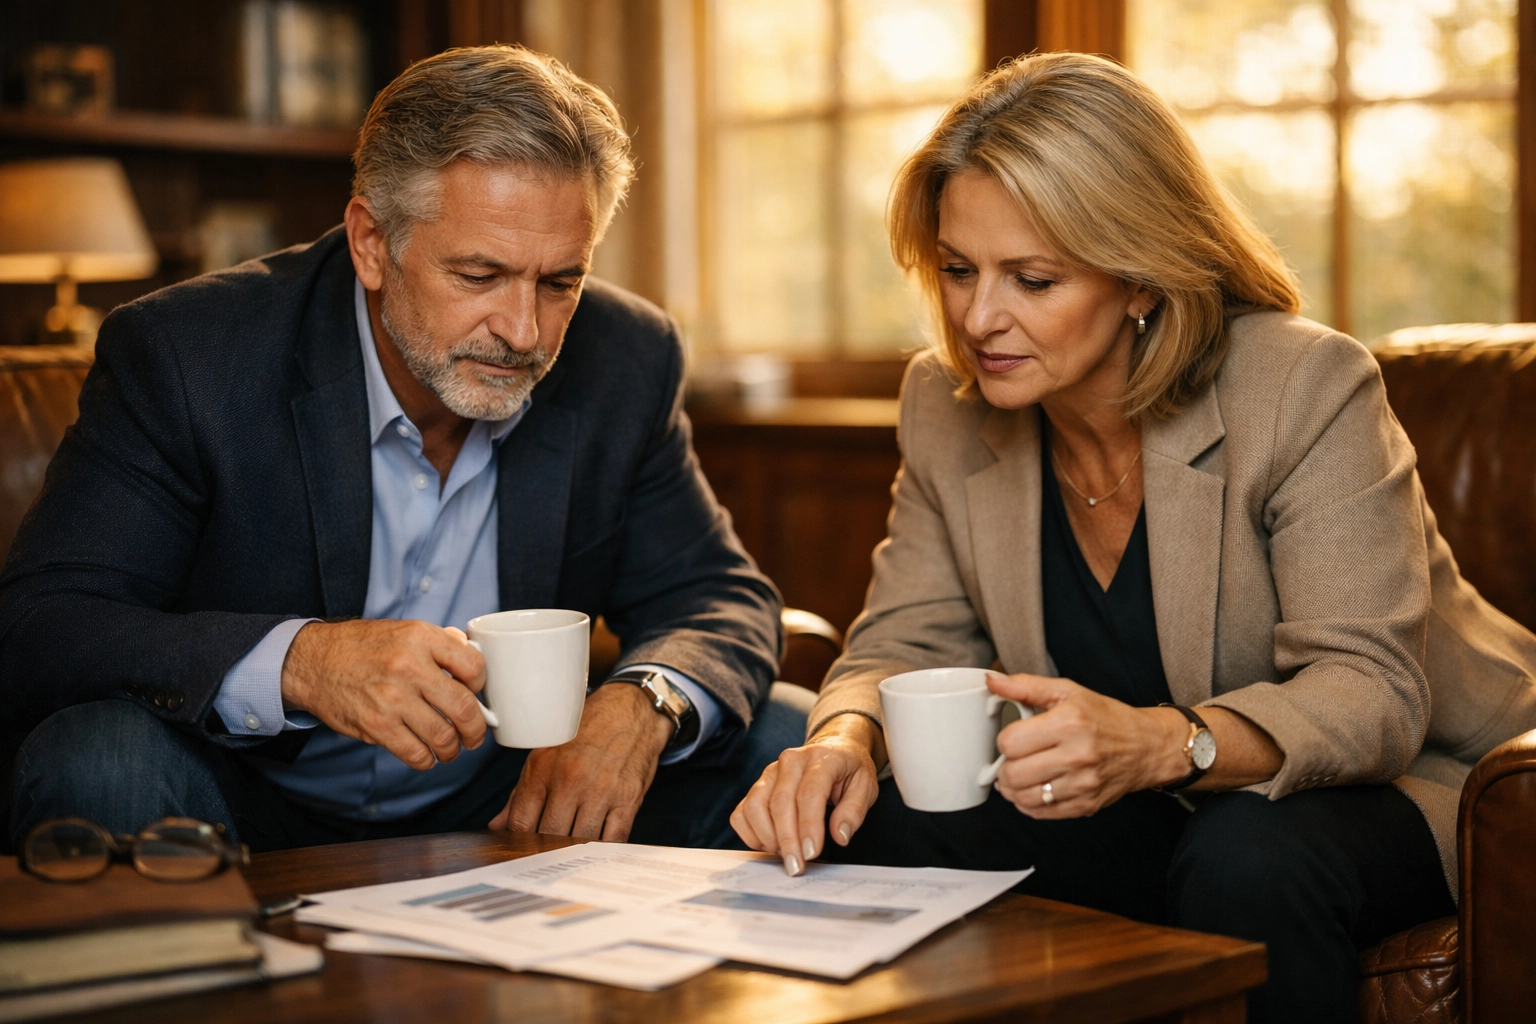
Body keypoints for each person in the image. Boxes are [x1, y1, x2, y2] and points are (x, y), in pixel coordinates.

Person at [730, 52, 1536, 1023]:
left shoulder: (1302, 388)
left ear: (1142, 279)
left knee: (1245, 859)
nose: (979, 317)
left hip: (1418, 782)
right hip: (1151, 805)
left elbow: (1371, 696)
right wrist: (845, 739)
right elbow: (902, 642)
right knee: (881, 819)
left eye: (1032, 278)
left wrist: (1164, 744)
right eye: (956, 269)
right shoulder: (947, 407)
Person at [5, 45, 810, 854]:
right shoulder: (189, 354)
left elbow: (717, 594)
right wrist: (302, 662)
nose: (524, 333)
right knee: (96, 758)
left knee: (787, 735)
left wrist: (643, 706)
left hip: (512, 799)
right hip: (244, 796)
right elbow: (43, 624)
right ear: (370, 242)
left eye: (561, 281)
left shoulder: (625, 357)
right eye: (479, 274)